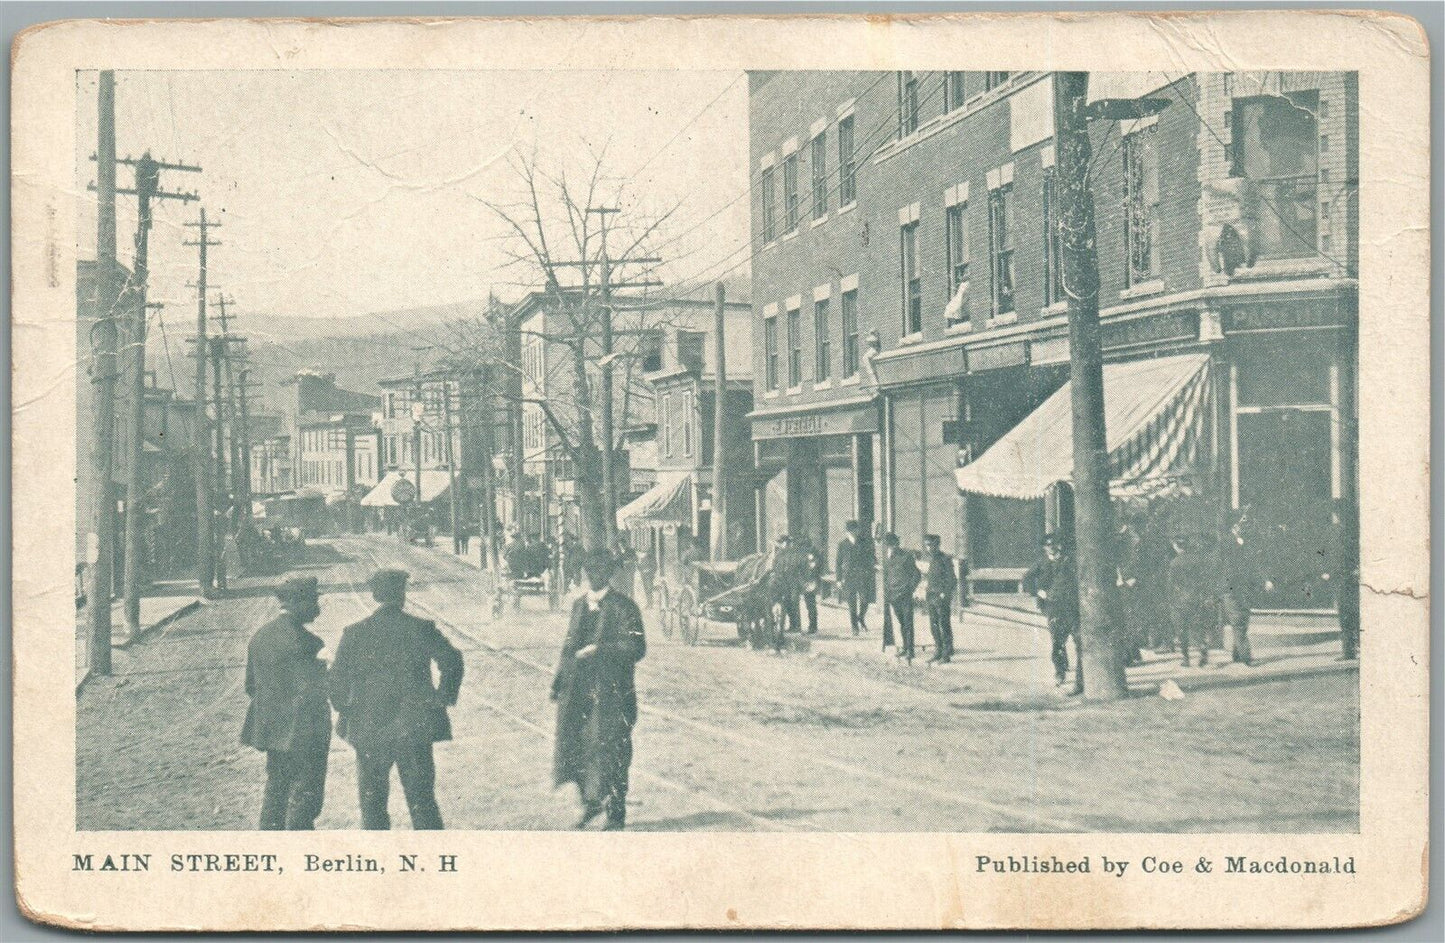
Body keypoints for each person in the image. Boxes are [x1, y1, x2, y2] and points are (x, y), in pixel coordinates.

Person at [328, 569, 464, 830]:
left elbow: (335, 680)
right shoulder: (421, 628)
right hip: (413, 726)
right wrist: (442, 697)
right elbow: (453, 660)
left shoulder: (354, 632)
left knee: (372, 804)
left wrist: (347, 709)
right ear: (402, 594)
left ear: (375, 595)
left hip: (369, 728)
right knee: (422, 801)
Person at [551, 549, 647, 830]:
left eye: (601, 571)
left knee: (614, 752)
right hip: (579, 692)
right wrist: (558, 681)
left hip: (614, 694)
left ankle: (616, 813)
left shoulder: (624, 607)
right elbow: (569, 645)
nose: (594, 576)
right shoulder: (579, 605)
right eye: (590, 571)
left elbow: (637, 647)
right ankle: (591, 803)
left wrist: (600, 650)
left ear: (610, 573)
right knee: (580, 748)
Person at [241, 575, 330, 830]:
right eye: (313, 601)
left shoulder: (259, 637)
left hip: (273, 732)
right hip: (305, 733)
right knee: (305, 799)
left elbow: (251, 686)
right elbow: (317, 692)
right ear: (297, 602)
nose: (317, 607)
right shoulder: (310, 644)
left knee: (275, 793)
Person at [1026, 535, 1081, 693]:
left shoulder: (1068, 560)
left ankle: (1079, 679)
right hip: (1053, 606)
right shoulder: (1041, 563)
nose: (1051, 547)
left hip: (1070, 605)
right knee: (1057, 641)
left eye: (1054, 544)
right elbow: (1027, 579)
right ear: (1044, 548)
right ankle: (1060, 671)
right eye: (1048, 545)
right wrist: (1038, 592)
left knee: (1078, 640)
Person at [1166, 535, 1213, 668]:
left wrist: (1170, 598)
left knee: (1181, 629)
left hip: (1180, 600)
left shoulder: (1174, 563)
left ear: (1176, 546)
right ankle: (1202, 648)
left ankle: (1186, 658)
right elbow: (1205, 580)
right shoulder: (1197, 560)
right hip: (1196, 598)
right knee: (1197, 627)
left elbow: (1170, 584)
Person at [1218, 514, 1259, 667]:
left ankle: (1237, 653)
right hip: (1229, 587)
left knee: (1243, 618)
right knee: (1238, 620)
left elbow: (1252, 563)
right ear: (1233, 526)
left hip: (1242, 587)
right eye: (1239, 523)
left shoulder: (1244, 541)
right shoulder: (1225, 542)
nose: (1242, 526)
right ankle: (1246, 656)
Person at [881, 534, 921, 662]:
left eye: (893, 544)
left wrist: (910, 589)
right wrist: (887, 592)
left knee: (908, 623)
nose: (891, 547)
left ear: (897, 543)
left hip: (904, 595)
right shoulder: (887, 559)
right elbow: (886, 577)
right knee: (901, 623)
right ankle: (904, 647)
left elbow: (917, 574)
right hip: (893, 596)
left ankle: (910, 650)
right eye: (888, 545)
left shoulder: (906, 556)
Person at [834, 520, 875, 636]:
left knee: (865, 600)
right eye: (850, 531)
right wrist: (838, 579)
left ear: (857, 530)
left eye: (854, 530)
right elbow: (838, 563)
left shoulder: (864, 542)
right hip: (848, 577)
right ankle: (854, 626)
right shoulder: (842, 544)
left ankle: (860, 617)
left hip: (862, 576)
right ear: (847, 532)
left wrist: (871, 566)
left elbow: (870, 556)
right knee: (852, 604)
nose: (852, 532)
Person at [764, 534, 804, 650]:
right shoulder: (781, 553)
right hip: (785, 582)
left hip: (791, 583)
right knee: (790, 604)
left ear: (785, 543)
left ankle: (796, 626)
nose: (780, 545)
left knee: (793, 604)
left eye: (781, 543)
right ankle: (793, 626)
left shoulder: (790, 554)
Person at [923, 534, 956, 664]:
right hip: (931, 596)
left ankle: (946, 654)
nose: (928, 548)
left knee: (944, 625)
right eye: (926, 545)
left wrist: (944, 594)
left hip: (940, 597)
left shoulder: (945, 559)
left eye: (930, 545)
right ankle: (938, 651)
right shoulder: (931, 559)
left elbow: (952, 580)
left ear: (936, 545)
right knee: (933, 625)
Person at [799, 538, 823, 635]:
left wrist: (807, 582)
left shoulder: (811, 555)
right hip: (809, 582)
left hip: (810, 582)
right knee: (810, 605)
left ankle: (813, 626)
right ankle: (813, 626)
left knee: (810, 605)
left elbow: (814, 568)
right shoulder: (811, 554)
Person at [636, 544, 657, 609]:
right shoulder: (642, 558)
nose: (645, 552)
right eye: (644, 551)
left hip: (649, 576)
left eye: (646, 551)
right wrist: (638, 564)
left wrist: (649, 570)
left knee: (649, 589)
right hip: (644, 576)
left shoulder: (652, 558)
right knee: (646, 590)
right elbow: (639, 568)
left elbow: (655, 567)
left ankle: (651, 603)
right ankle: (648, 603)